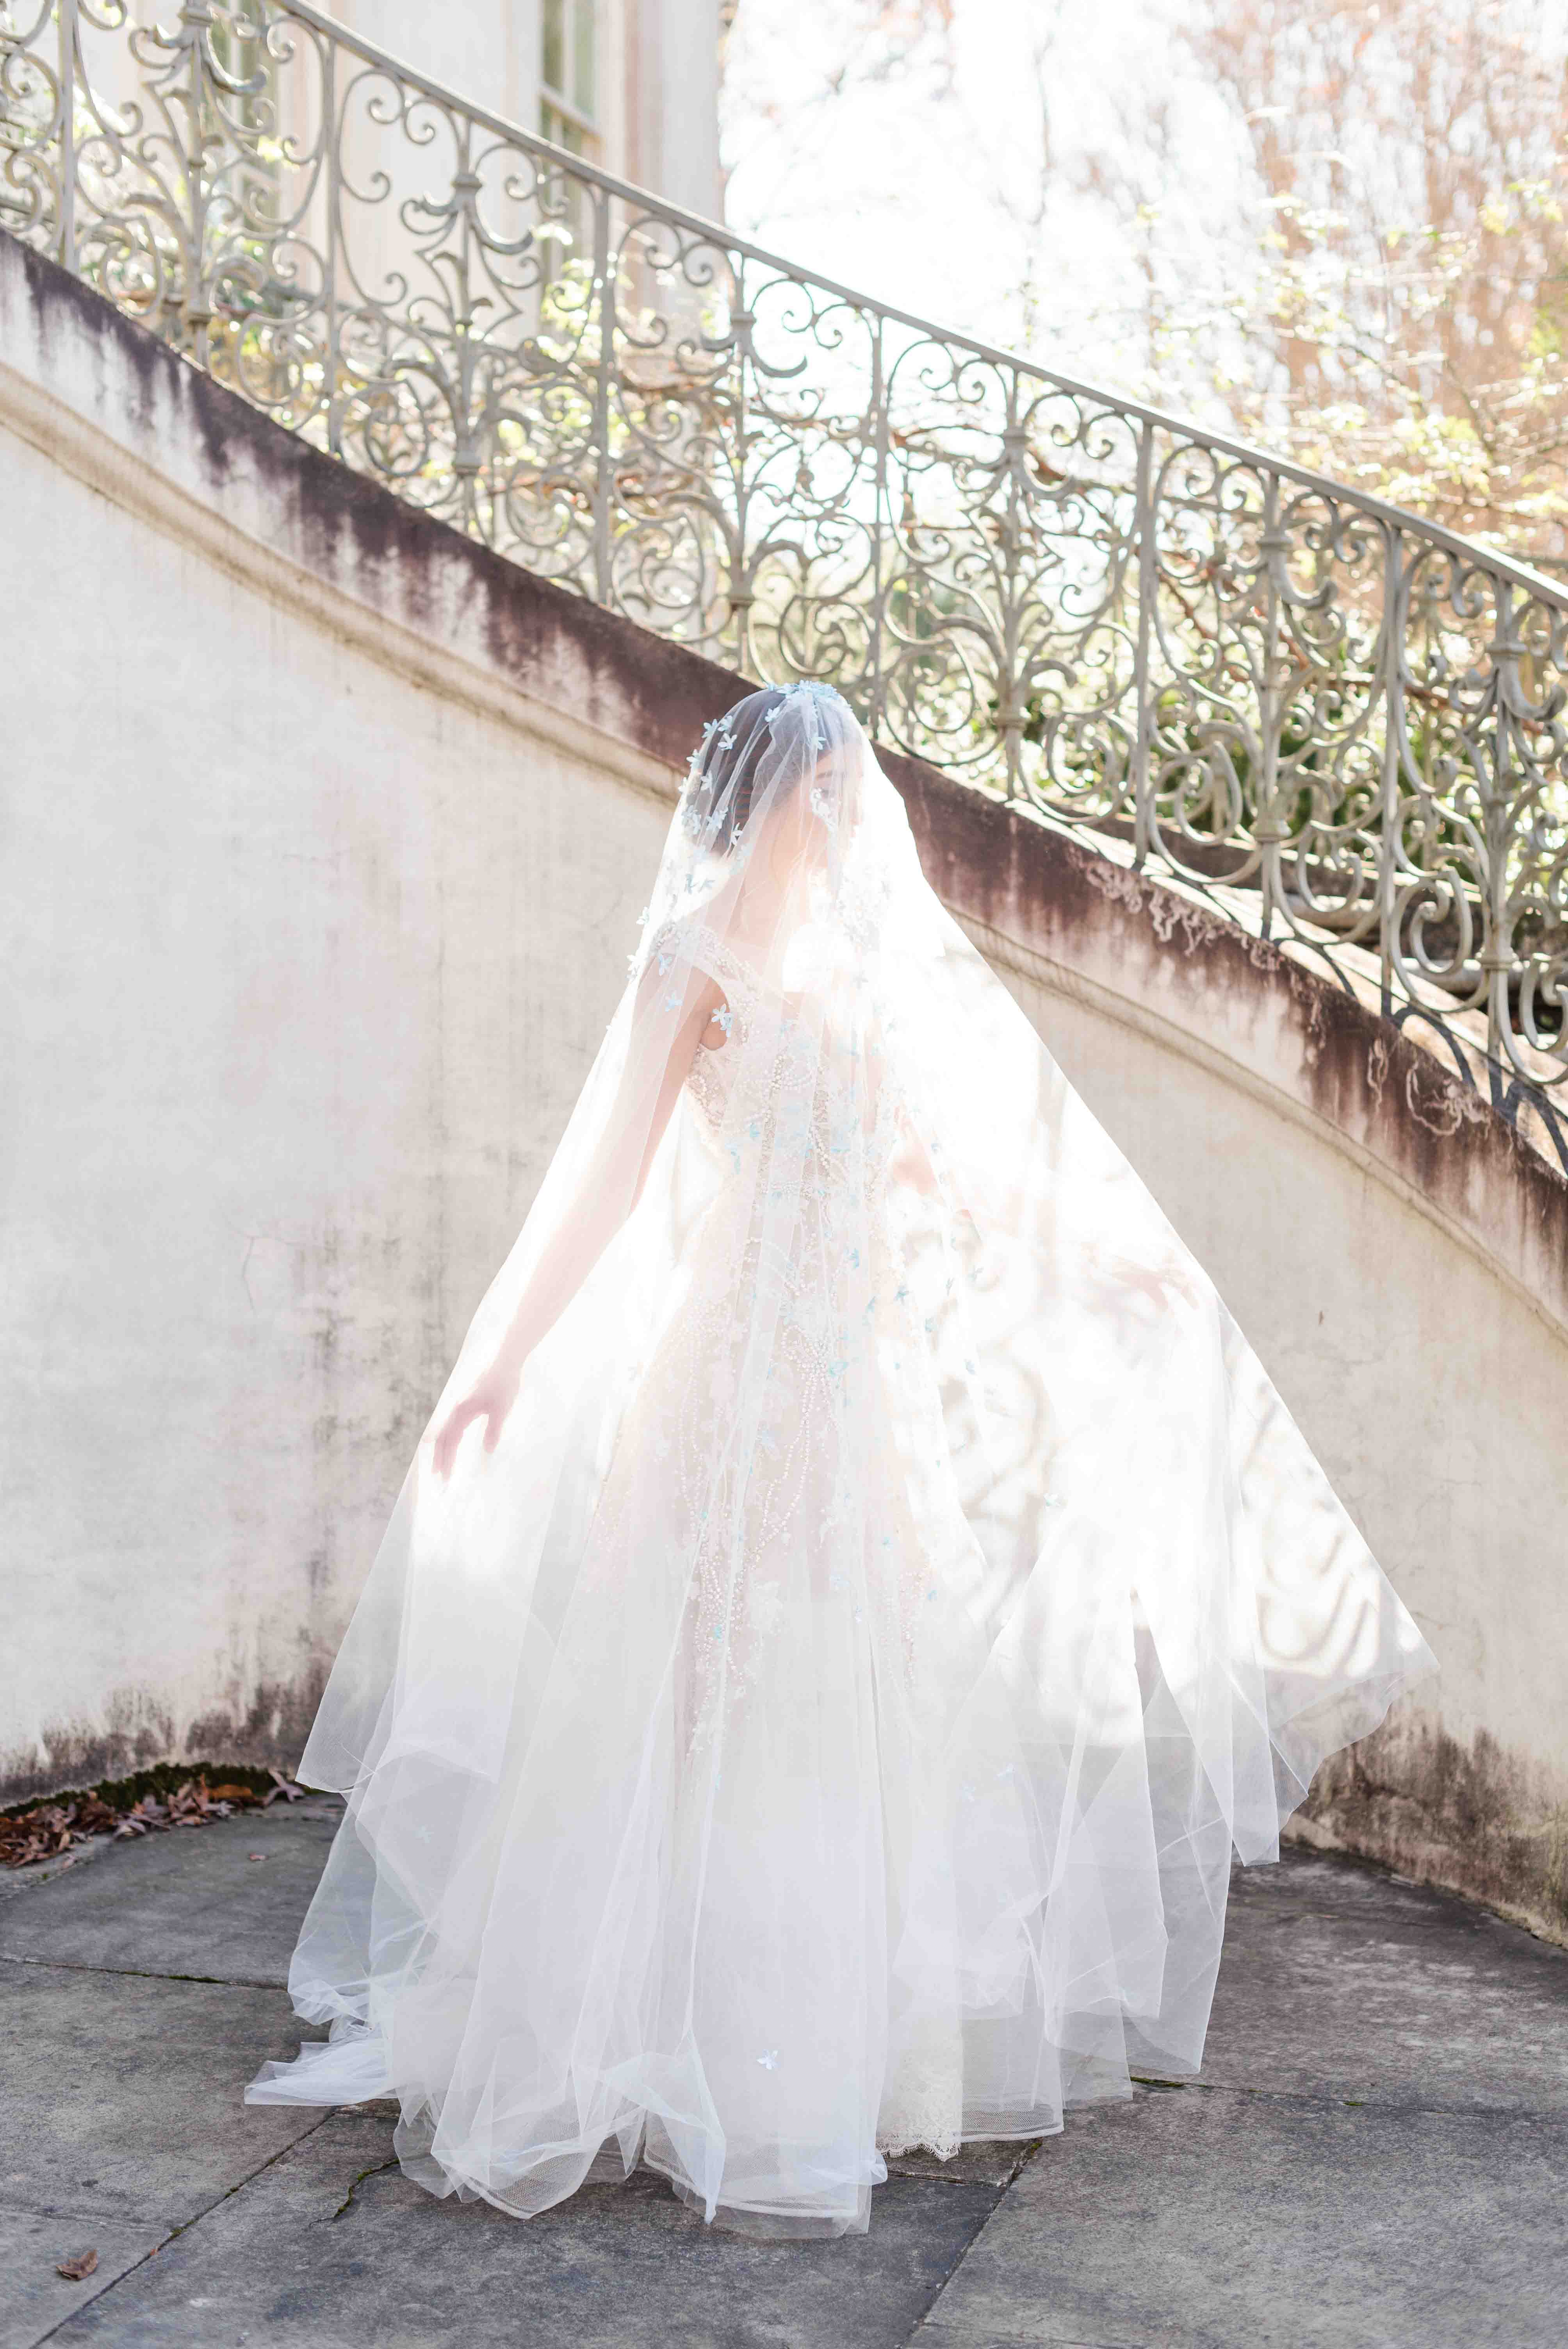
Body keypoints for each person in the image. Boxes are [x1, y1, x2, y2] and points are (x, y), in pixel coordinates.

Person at [246, 680, 1434, 2237]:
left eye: (848, 789)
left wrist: (1094, 1265)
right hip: (730, 1370)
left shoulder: (868, 979)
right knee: (704, 1671)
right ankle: (651, 2018)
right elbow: (605, 1184)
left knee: (850, 1679)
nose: (851, 816)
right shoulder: (693, 961)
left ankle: (828, 2039)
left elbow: (944, 1171)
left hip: (854, 1383)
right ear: (772, 801)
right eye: (825, 790)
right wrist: (509, 1364)